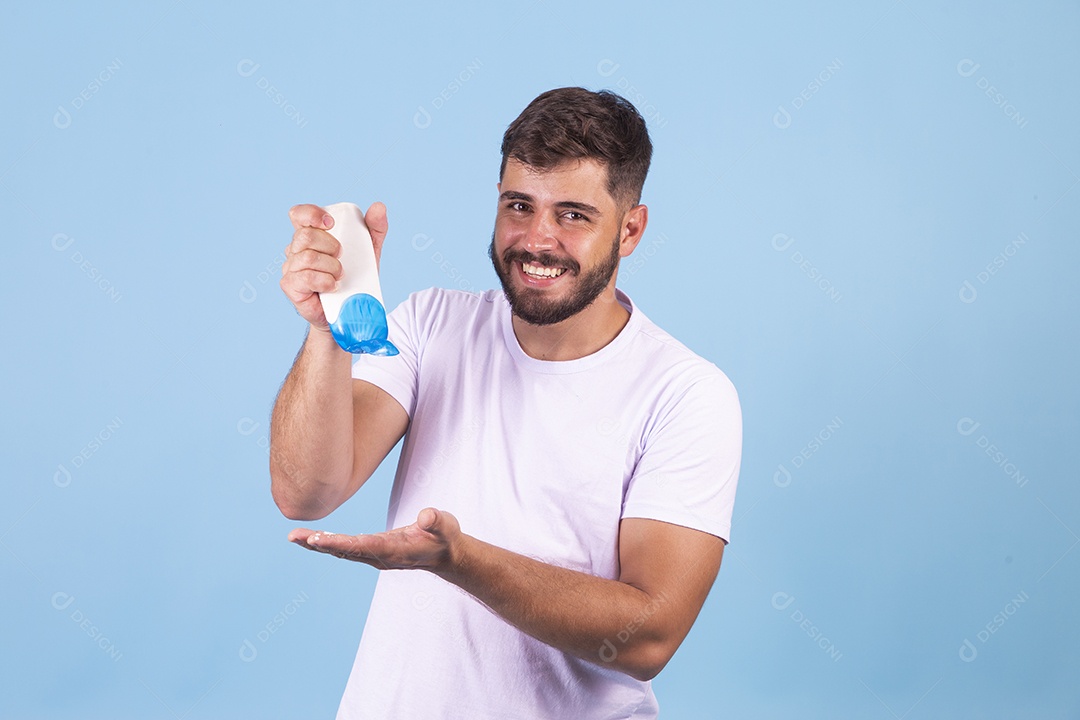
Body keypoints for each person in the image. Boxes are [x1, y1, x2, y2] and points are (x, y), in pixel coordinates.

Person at [270, 87, 742, 719]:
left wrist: (457, 559)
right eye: (519, 205)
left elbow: (649, 635)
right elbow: (305, 491)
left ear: (630, 229)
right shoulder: (431, 323)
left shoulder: (686, 394)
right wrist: (325, 330)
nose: (537, 240)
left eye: (573, 214)